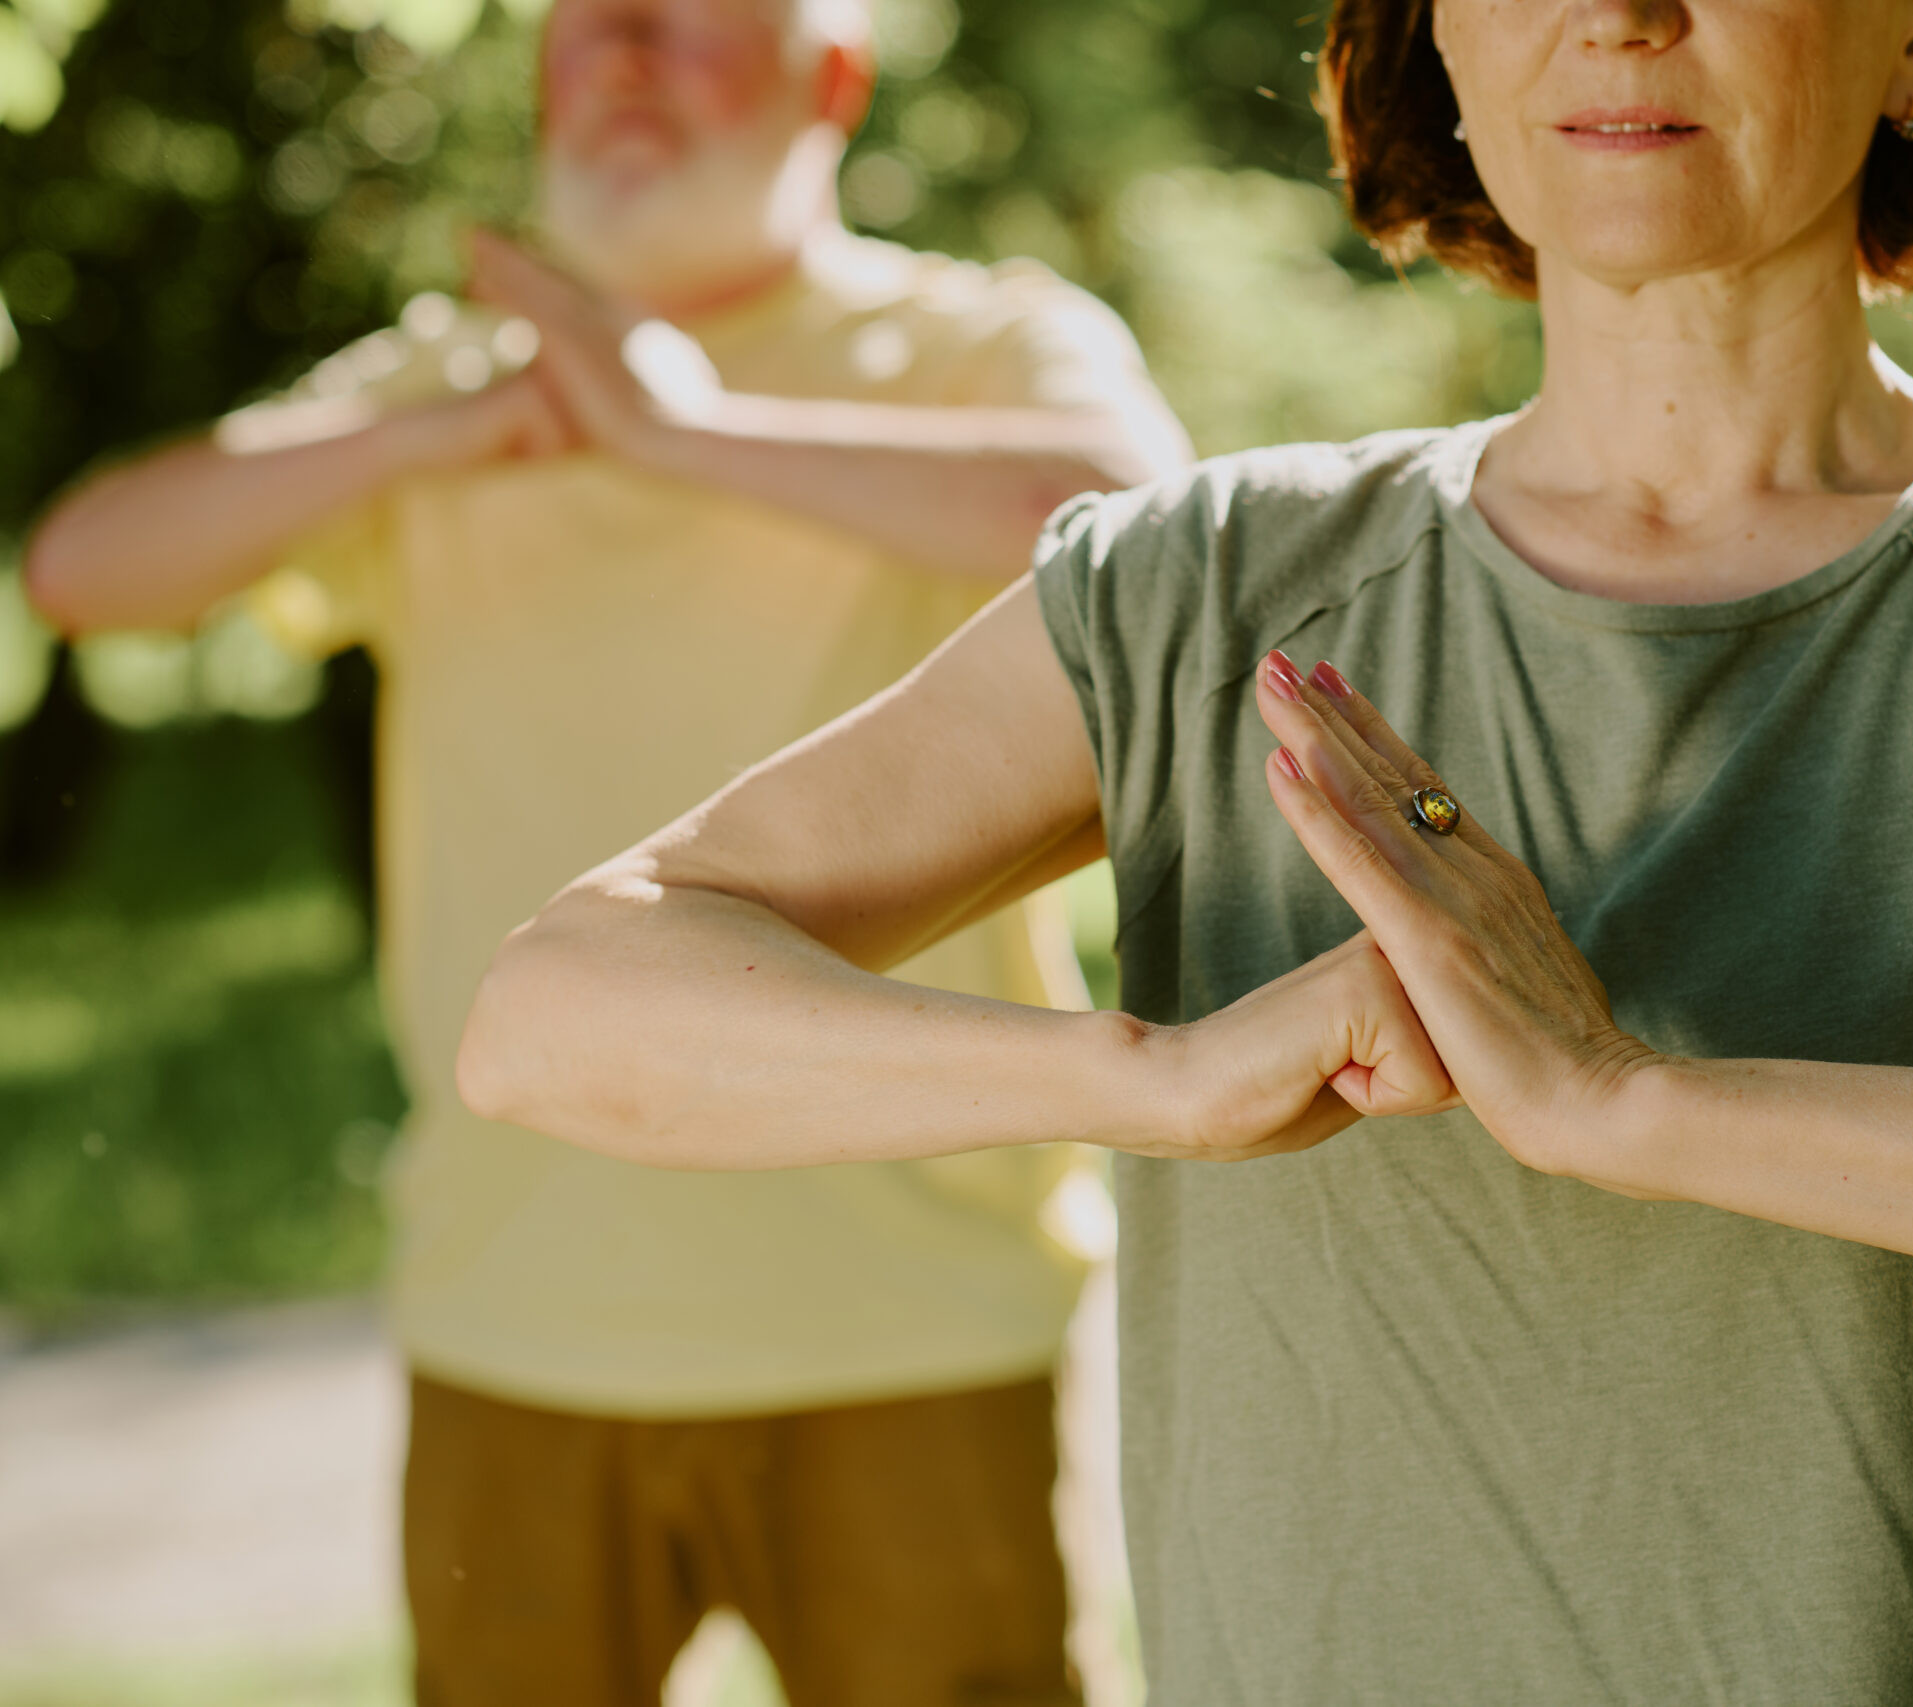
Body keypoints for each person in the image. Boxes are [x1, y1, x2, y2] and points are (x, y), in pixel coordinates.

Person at [455, 0, 1913, 1699]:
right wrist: (1144, 1081)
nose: (1617, 17)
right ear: (1439, 44)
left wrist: (1629, 1100)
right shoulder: (1207, 583)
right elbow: (561, 1010)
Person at [25, 0, 1187, 1698]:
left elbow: (1142, 528)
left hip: (910, 1324)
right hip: (517, 1319)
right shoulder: (452, 377)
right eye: (586, 20)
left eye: (692, 16)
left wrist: (680, 431)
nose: (624, 52)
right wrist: (453, 430)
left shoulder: (975, 341)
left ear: (835, 80)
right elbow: (87, 571)